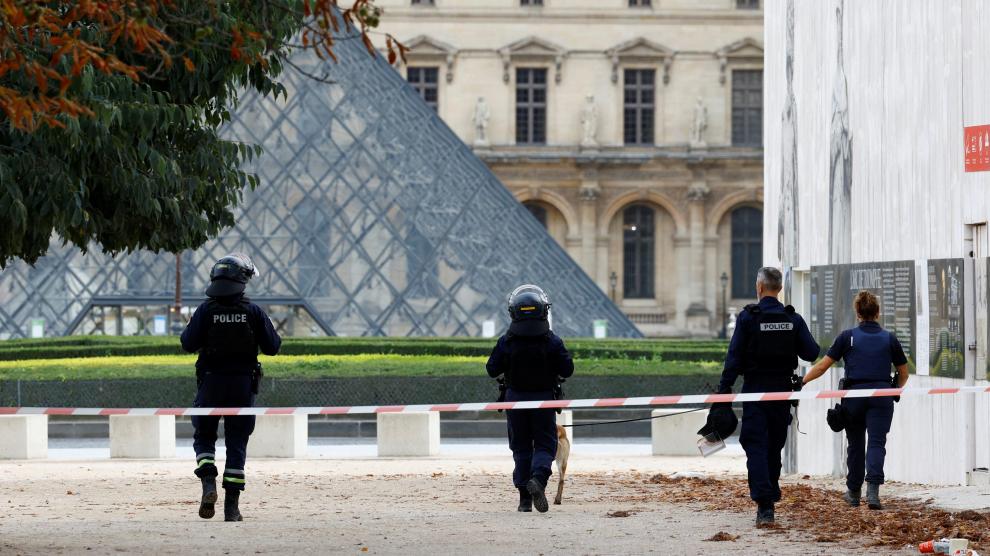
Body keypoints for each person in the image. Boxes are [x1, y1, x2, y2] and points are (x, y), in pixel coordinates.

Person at [712, 267, 820, 525]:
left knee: (756, 446)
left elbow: (734, 358)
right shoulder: (792, 318)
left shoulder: (749, 317)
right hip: (782, 392)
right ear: (779, 288)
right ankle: (770, 491)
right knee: (773, 446)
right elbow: (811, 352)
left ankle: (765, 504)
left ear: (759, 287)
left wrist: (724, 389)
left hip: (755, 392)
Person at [180, 253, 282, 522]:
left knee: (204, 437)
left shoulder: (205, 310)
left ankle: (208, 482)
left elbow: (187, 343)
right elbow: (273, 347)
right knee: (237, 443)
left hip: (210, 383)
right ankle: (232, 509)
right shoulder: (253, 312)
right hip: (241, 386)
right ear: (242, 281)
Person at [802, 290, 909, 510]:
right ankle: (873, 493)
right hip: (882, 396)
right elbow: (904, 373)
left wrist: (801, 382)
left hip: (854, 397)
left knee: (856, 445)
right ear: (877, 313)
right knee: (877, 443)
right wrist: (893, 389)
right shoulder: (890, 339)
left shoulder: (847, 337)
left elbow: (822, 366)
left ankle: (853, 493)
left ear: (857, 313)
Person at [486, 284, 573, 513]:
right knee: (545, 445)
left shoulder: (507, 341)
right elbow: (568, 369)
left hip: (514, 400)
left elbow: (491, 369)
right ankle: (539, 479)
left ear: (513, 312)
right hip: (544, 400)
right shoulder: (552, 341)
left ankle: (524, 499)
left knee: (521, 448)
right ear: (544, 311)